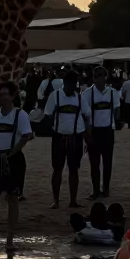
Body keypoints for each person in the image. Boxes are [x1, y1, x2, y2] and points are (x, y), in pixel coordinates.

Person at [0, 80, 33, 251]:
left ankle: (9, 240)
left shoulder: (21, 115)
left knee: (12, 199)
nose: (0, 97)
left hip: (14, 161)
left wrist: (12, 153)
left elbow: (26, 136)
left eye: (4, 94)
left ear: (12, 96)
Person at [44, 69, 85, 209]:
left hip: (76, 136)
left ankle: (73, 201)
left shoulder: (80, 98)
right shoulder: (54, 96)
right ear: (65, 83)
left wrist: (87, 134)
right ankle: (56, 200)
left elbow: (86, 115)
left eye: (74, 84)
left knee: (74, 169)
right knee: (57, 169)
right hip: (59, 137)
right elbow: (48, 114)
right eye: (70, 84)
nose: (72, 87)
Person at [81, 66, 120, 199]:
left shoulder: (112, 92)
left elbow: (116, 109)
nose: (100, 78)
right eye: (97, 75)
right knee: (94, 164)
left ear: (106, 77)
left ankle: (106, 189)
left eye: (103, 75)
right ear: (93, 78)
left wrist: (117, 122)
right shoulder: (87, 94)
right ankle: (96, 190)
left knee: (107, 163)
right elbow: (84, 115)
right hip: (94, 131)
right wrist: (87, 134)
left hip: (108, 130)